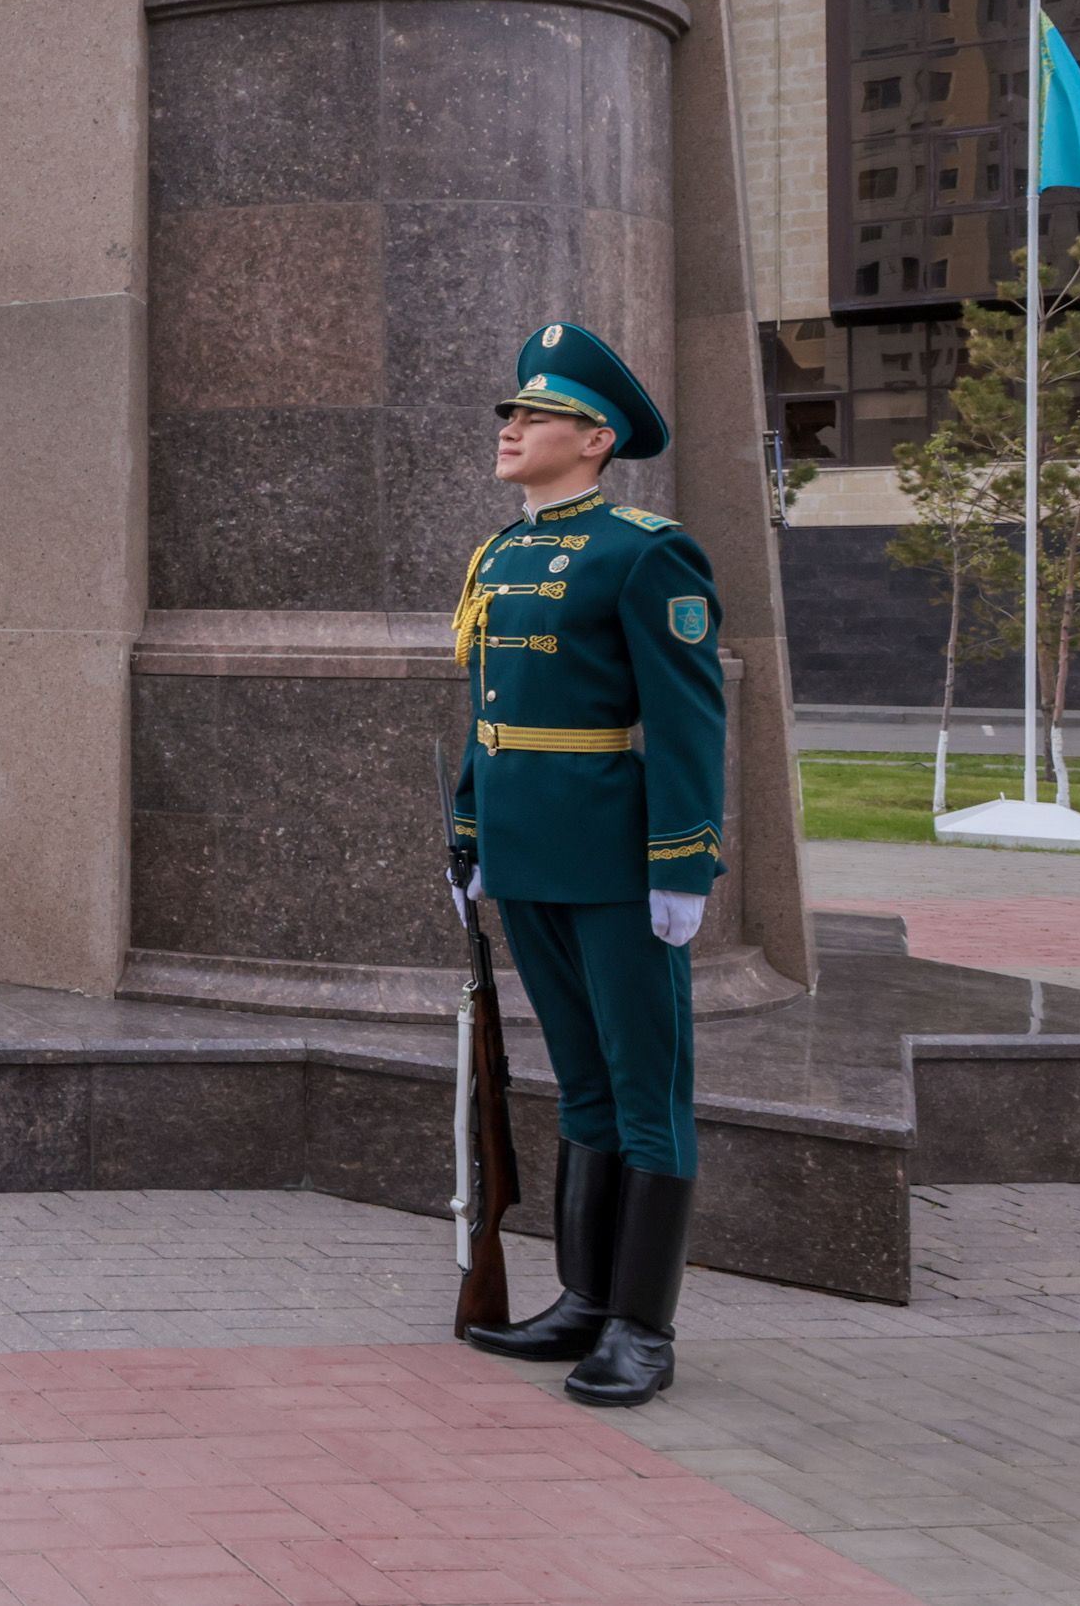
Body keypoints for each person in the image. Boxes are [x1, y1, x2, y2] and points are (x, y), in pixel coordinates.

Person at [448, 321, 725, 1411]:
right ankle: (580, 1298)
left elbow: (687, 719)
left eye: (536, 414)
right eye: (511, 412)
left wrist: (682, 861)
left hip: (617, 861)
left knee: (647, 1088)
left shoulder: (645, 550)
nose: (511, 426)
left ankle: (641, 1328)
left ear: (595, 437)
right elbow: (487, 715)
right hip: (526, 856)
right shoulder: (500, 553)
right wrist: (471, 834)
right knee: (581, 1081)